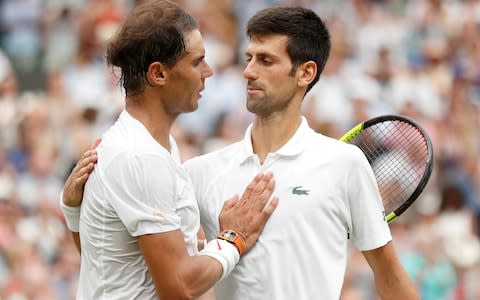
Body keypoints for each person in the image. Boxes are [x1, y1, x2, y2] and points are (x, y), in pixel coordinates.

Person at [64, 5, 419, 300]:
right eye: (248, 58)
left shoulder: (344, 164)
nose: (247, 71)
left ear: (305, 73)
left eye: (265, 60)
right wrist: (233, 238)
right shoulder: (196, 171)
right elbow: (144, 271)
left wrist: (75, 212)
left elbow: (389, 275)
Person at [59, 1, 278, 299]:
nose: (208, 71)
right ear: (158, 74)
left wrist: (74, 213)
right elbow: (178, 287)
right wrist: (232, 238)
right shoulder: (141, 156)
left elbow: (109, 261)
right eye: (196, 61)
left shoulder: (148, 145)